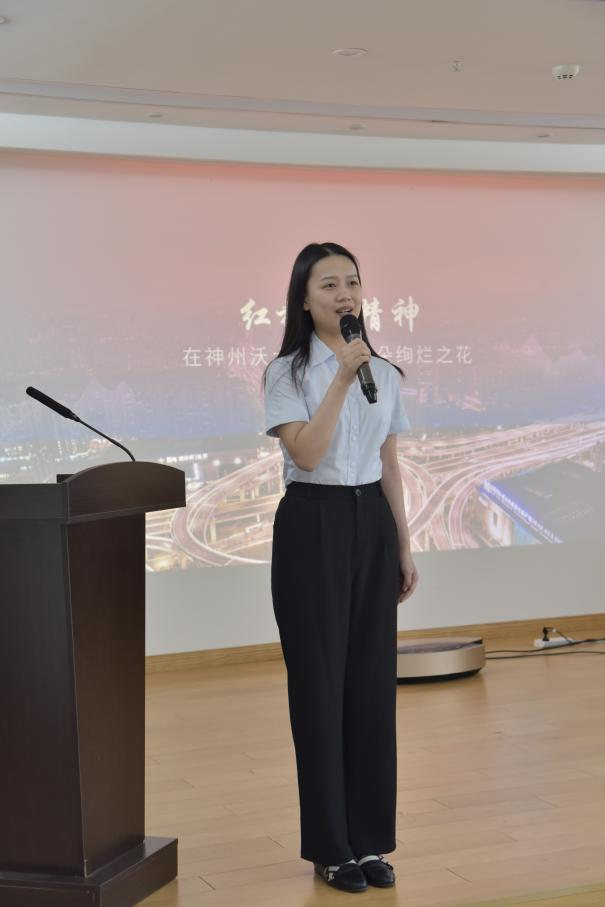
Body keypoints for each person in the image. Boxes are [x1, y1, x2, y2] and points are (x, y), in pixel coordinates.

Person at [262, 242, 419, 893]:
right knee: (319, 690)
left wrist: (402, 545)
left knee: (371, 689)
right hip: (312, 524)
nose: (344, 293)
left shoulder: (385, 372)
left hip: (370, 523)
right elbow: (305, 454)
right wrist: (338, 380)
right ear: (304, 299)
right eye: (328, 284)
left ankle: (368, 840)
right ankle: (331, 848)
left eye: (351, 281)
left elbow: (388, 463)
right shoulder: (287, 372)